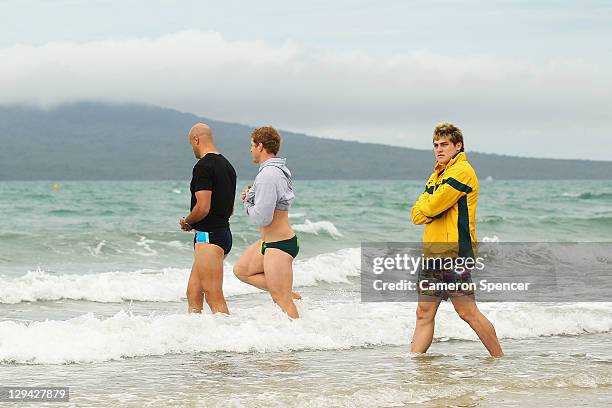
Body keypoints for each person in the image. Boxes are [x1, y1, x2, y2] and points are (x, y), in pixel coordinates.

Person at [410, 122, 503, 357]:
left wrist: (428, 207)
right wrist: (427, 208)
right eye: (436, 145)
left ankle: (500, 359)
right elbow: (416, 215)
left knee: (467, 312)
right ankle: (414, 365)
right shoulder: (436, 175)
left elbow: (430, 206)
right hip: (432, 253)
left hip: (455, 254)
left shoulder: (462, 171)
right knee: (424, 312)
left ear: (458, 146)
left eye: (444, 144)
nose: (439, 149)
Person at [233, 126, 301, 318]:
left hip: (279, 244)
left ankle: (297, 338)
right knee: (241, 270)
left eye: (252, 145)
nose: (250, 150)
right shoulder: (274, 171)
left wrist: (247, 201)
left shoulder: (268, 174)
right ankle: (283, 290)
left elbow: (262, 217)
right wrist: (253, 196)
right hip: (269, 242)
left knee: (281, 301)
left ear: (260, 146)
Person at [180, 123, 236, 314]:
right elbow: (230, 208)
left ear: (196, 139)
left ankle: (229, 342)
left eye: (191, 144)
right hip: (223, 234)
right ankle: (200, 340)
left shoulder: (203, 166)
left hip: (209, 237)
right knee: (193, 292)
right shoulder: (228, 166)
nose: (193, 149)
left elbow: (203, 207)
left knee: (213, 295)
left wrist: (188, 221)